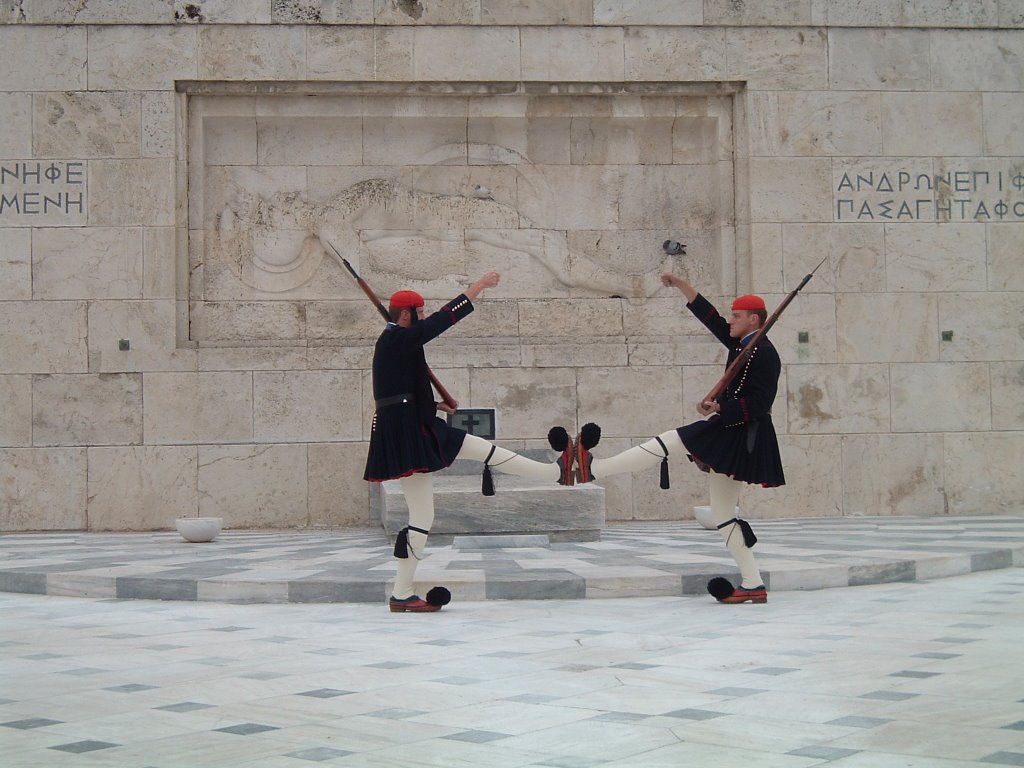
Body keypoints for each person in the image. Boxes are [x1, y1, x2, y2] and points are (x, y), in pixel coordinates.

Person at [365, 271, 583, 613]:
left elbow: (399, 391)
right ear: (406, 315)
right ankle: (554, 474)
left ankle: (402, 593)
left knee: (424, 512)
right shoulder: (395, 340)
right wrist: (475, 290)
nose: (423, 318)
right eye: (419, 314)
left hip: (414, 425)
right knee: (471, 460)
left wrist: (437, 404)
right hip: (411, 433)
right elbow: (438, 324)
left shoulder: (398, 342)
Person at [572, 272, 785, 604]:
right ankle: (753, 584)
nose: (731, 321)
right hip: (732, 431)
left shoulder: (766, 354)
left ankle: (594, 469)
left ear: (754, 319)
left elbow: (760, 404)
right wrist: (682, 286)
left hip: (741, 434)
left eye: (737, 316)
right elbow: (710, 318)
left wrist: (720, 408)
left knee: (672, 440)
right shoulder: (741, 344)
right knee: (724, 513)